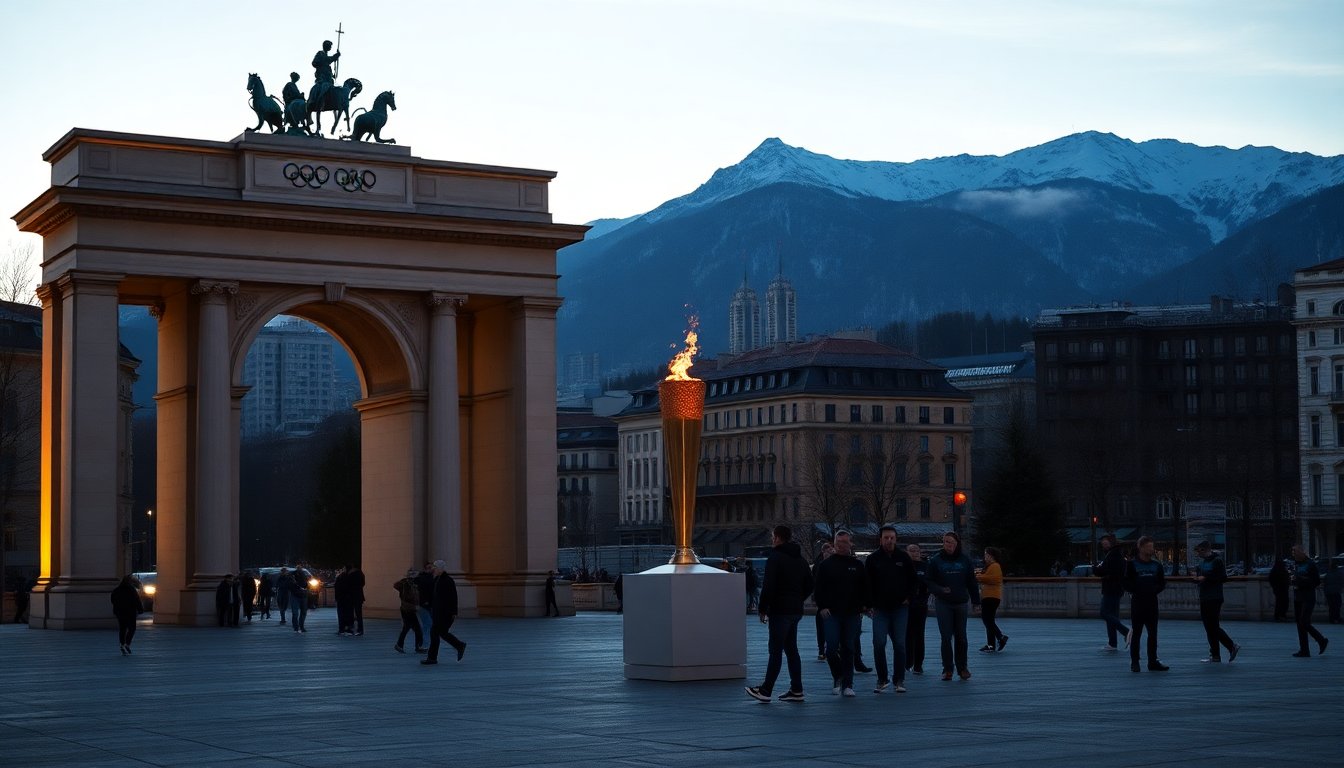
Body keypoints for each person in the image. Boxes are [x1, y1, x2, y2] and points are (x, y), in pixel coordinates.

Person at [746, 525, 814, 703]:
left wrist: (763, 608)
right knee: (792, 650)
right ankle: (796, 689)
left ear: (776, 538)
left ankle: (766, 690)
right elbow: (810, 584)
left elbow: (768, 586)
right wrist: (798, 598)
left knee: (775, 651)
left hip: (780, 610)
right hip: (795, 610)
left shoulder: (775, 558)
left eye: (773, 537)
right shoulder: (800, 559)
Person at [812, 529, 869, 697]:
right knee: (830, 648)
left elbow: (864, 587)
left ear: (850, 543)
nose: (841, 546)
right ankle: (838, 675)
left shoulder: (857, 565)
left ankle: (848, 684)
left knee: (848, 647)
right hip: (832, 613)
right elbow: (819, 588)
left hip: (852, 612)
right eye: (838, 543)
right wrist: (822, 606)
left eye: (844, 542)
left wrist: (865, 606)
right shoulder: (825, 565)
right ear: (834, 544)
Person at [864, 525, 916, 694]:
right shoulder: (873, 559)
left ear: (896, 539)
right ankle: (882, 678)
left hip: (900, 607)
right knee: (878, 643)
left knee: (900, 644)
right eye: (886, 538)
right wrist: (868, 604)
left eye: (892, 538)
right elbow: (867, 583)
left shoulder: (903, 558)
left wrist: (909, 597)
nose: (889, 541)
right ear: (880, 539)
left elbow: (913, 580)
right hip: (880, 608)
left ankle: (899, 679)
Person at [924, 531, 980, 681]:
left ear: (957, 544)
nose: (949, 545)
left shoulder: (965, 560)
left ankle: (962, 668)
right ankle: (947, 668)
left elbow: (972, 582)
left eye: (952, 543)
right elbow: (928, 581)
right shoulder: (935, 560)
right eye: (946, 542)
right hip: (943, 603)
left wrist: (976, 602)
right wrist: (940, 589)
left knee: (961, 637)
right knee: (946, 637)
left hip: (961, 602)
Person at [1123, 535, 1168, 672]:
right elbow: (1126, 582)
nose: (1151, 549)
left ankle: (1152, 661)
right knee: (1137, 633)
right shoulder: (1131, 565)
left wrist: (1155, 590)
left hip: (1152, 602)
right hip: (1138, 602)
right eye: (1148, 547)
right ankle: (1135, 662)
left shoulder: (1157, 565)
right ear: (1140, 548)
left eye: (1152, 547)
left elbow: (1162, 582)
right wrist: (1136, 589)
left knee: (1153, 633)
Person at [1192, 540, 1240, 663]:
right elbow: (1201, 578)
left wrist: (1206, 578)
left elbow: (1223, 577)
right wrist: (1196, 578)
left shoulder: (1217, 561)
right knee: (1209, 626)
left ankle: (1231, 645)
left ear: (1204, 549)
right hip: (1204, 596)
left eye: (1198, 551)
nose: (1197, 554)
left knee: (1212, 626)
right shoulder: (1202, 563)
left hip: (1214, 597)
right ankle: (1215, 655)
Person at [422, 559, 467, 665]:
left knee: (436, 633)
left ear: (440, 568)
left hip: (445, 614)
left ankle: (433, 657)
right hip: (439, 613)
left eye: (435, 567)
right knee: (440, 633)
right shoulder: (437, 579)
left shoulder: (447, 580)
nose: (433, 569)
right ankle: (459, 645)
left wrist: (453, 612)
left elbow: (453, 597)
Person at [1092, 533, 1130, 651]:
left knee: (1104, 613)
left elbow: (1103, 571)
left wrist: (1095, 569)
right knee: (1112, 616)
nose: (1104, 546)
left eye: (1105, 544)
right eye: (1103, 544)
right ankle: (1112, 643)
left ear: (1111, 544)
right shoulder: (1116, 554)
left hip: (1111, 589)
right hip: (1116, 588)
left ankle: (1126, 631)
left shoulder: (1113, 556)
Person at [1289, 544, 1329, 657]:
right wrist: (1293, 580)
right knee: (1300, 624)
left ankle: (1321, 640)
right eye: (1293, 552)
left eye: (1295, 552)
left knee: (1304, 622)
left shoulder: (1310, 564)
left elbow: (1316, 581)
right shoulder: (1297, 564)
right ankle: (1304, 650)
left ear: (1302, 552)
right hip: (1298, 596)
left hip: (1308, 597)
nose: (1293, 554)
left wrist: (1300, 579)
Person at [975, 546, 1008, 653]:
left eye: (986, 554)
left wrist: (978, 577)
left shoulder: (995, 566)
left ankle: (1000, 637)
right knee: (989, 620)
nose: (984, 557)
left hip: (991, 596)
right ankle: (991, 645)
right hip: (989, 596)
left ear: (991, 556)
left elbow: (992, 579)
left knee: (987, 620)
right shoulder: (990, 567)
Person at [905, 544, 929, 675]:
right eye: (911, 550)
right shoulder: (904, 566)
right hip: (906, 605)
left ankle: (918, 664)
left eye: (916, 550)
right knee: (907, 634)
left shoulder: (925, 566)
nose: (914, 553)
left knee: (919, 635)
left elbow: (929, 582)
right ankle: (908, 661)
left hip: (920, 604)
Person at [393, 568, 425, 654]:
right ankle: (416, 646)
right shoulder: (406, 584)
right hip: (407, 609)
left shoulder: (413, 584)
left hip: (410, 609)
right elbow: (406, 595)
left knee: (408, 628)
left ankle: (401, 645)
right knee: (414, 628)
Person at [812, 541, 834, 661]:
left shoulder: (818, 564)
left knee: (822, 626)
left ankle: (823, 649)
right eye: (828, 551)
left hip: (824, 600)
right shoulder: (820, 565)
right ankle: (823, 649)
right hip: (825, 600)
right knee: (823, 626)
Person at [110, 574, 143, 655]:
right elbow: (137, 600)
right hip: (130, 612)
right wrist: (140, 609)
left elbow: (113, 600)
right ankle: (127, 643)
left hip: (120, 612)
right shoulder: (131, 590)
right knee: (132, 628)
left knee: (122, 629)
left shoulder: (116, 590)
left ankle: (122, 644)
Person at [415, 562, 436, 638]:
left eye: (431, 567)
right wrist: (424, 601)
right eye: (429, 568)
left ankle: (427, 638)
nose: (431, 569)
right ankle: (424, 639)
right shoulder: (423, 578)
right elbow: (422, 591)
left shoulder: (432, 577)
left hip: (431, 603)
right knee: (427, 623)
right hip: (424, 604)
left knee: (430, 623)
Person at [1268, 557, 1291, 622]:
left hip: (1279, 589)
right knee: (1282, 603)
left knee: (1280, 603)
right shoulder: (1281, 570)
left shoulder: (1275, 570)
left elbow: (1271, 579)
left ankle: (1279, 615)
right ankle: (1281, 615)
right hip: (1281, 589)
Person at [289, 566, 309, 632]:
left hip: (302, 595)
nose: (299, 568)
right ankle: (296, 627)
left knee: (303, 612)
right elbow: (290, 585)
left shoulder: (304, 575)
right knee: (296, 613)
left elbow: (306, 584)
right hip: (296, 595)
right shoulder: (292, 575)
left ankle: (300, 626)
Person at [1325, 559, 1343, 624]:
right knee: (1337, 605)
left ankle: (1331, 618)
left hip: (1329, 592)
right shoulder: (1339, 573)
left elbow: (1325, 582)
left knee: (1331, 606)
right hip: (1336, 591)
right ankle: (1337, 618)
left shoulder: (1328, 573)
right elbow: (1342, 581)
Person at [350, 565, 366, 636]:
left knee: (351, 613)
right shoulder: (361, 575)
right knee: (359, 614)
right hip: (359, 596)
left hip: (352, 596)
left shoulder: (351, 575)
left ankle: (351, 628)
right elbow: (363, 584)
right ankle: (360, 629)